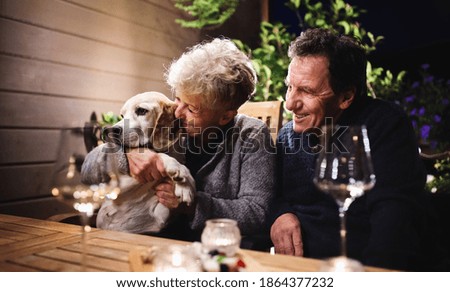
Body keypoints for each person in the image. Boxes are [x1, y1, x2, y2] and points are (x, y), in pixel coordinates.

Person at [270, 28, 445, 271]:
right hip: (298, 271)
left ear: (346, 96)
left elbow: (393, 222)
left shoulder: (384, 125)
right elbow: (272, 195)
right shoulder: (289, 135)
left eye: (307, 91)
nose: (290, 103)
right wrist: (281, 214)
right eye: (290, 86)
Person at [126, 38, 276, 243]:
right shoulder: (169, 125)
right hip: (156, 243)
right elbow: (91, 168)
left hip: (220, 254)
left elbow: (258, 213)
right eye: (178, 99)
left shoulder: (252, 135)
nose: (178, 112)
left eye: (192, 108)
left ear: (225, 116)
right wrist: (128, 152)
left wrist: (193, 206)